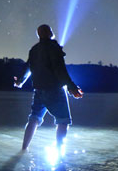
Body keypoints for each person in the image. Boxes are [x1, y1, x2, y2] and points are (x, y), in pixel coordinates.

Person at [14, 24, 83, 153]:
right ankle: (59, 151)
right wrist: (71, 86)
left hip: (39, 90)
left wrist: (20, 81)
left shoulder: (34, 49)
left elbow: (27, 67)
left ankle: (23, 149)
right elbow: (60, 70)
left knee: (34, 118)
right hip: (54, 89)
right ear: (50, 33)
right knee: (63, 121)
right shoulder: (54, 48)